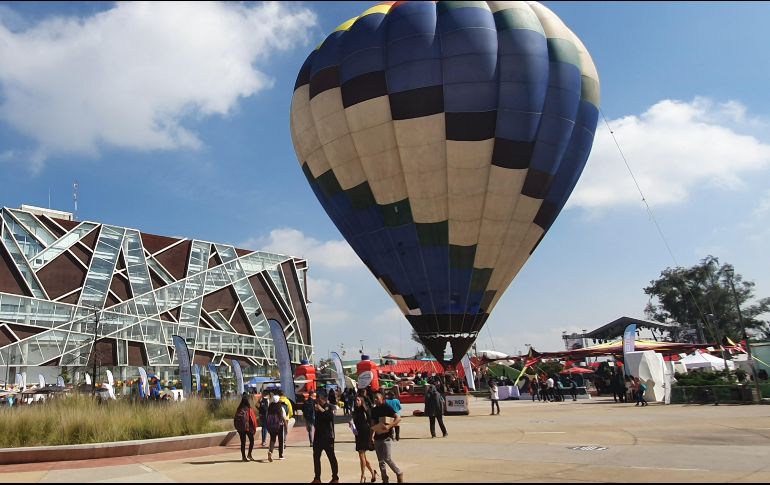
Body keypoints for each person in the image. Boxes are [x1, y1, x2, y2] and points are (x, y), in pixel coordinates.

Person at [370, 391, 404, 483]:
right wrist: (371, 437)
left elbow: (398, 418)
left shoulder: (387, 408)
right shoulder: (374, 410)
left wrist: (389, 426)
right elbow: (373, 424)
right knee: (381, 461)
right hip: (377, 438)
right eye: (374, 398)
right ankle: (385, 479)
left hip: (386, 437)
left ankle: (398, 472)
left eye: (377, 398)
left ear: (382, 398)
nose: (375, 400)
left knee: (387, 458)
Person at [311, 389, 339, 484]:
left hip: (328, 437)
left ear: (324, 399)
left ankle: (335, 478)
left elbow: (329, 418)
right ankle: (317, 478)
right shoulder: (316, 408)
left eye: (319, 398)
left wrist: (322, 410)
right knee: (316, 457)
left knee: (331, 457)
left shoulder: (330, 407)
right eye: (317, 399)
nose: (318, 400)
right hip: (318, 436)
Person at [351, 395, 377, 483]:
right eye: (355, 400)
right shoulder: (355, 411)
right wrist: (351, 424)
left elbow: (371, 422)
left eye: (358, 400)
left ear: (361, 401)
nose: (356, 402)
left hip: (365, 433)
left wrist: (372, 436)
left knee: (361, 454)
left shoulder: (366, 410)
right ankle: (373, 472)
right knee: (363, 457)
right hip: (358, 434)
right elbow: (354, 422)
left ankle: (363, 476)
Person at [233, 393, 257, 462]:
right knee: (251, 441)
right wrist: (254, 428)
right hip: (248, 428)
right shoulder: (249, 409)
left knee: (242, 443)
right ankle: (249, 454)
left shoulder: (239, 409)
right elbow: (253, 420)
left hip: (240, 428)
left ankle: (243, 457)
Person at [266, 394, 287, 462]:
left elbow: (267, 417)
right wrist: (286, 427)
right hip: (280, 426)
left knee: (272, 439)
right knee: (280, 440)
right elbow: (284, 418)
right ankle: (280, 455)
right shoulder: (281, 408)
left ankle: (270, 451)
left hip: (272, 426)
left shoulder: (269, 408)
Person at [277, 390, 294, 455]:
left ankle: (280, 442)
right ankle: (284, 442)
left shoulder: (277, 401)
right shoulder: (287, 401)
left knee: (279, 430)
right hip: (286, 418)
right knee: (285, 430)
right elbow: (290, 410)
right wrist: (289, 416)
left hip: (279, 418)